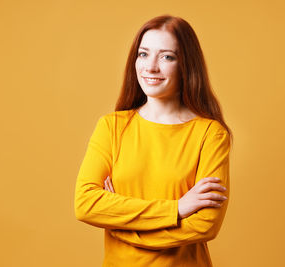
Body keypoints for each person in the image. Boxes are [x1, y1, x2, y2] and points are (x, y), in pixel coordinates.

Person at [74, 14, 233, 267]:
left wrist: (120, 226)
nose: (150, 67)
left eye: (167, 56)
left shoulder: (210, 135)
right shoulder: (112, 127)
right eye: (143, 54)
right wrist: (177, 209)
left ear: (186, 65)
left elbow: (205, 226)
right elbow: (85, 203)